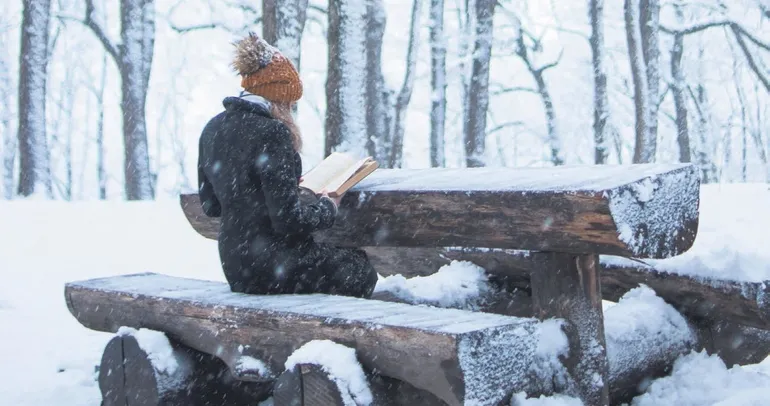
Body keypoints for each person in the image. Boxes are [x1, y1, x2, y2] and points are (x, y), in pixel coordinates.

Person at [197, 33, 378, 298]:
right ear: (278, 99)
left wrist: (276, 189)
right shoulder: (272, 133)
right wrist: (327, 207)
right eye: (290, 104)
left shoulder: (212, 129)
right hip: (274, 264)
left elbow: (211, 205)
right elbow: (287, 221)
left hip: (235, 264)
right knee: (360, 269)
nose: (292, 110)